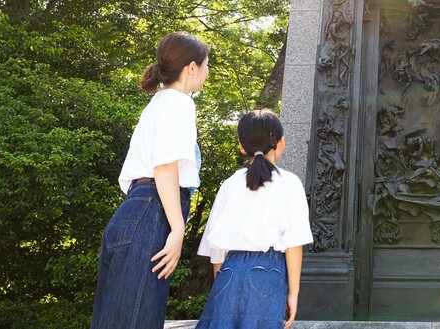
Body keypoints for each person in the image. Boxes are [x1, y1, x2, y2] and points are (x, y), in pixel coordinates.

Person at [91, 31, 210, 329]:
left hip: (133, 211)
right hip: (152, 212)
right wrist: (178, 229)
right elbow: (165, 167)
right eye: (206, 66)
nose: (207, 74)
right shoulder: (179, 103)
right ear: (192, 67)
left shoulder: (158, 103)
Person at [196, 109, 313, 329]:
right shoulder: (289, 183)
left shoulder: (229, 185)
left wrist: (222, 285)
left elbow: (217, 250)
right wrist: (293, 293)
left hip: (228, 273)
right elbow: (293, 244)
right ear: (280, 142)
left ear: (241, 147)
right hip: (268, 274)